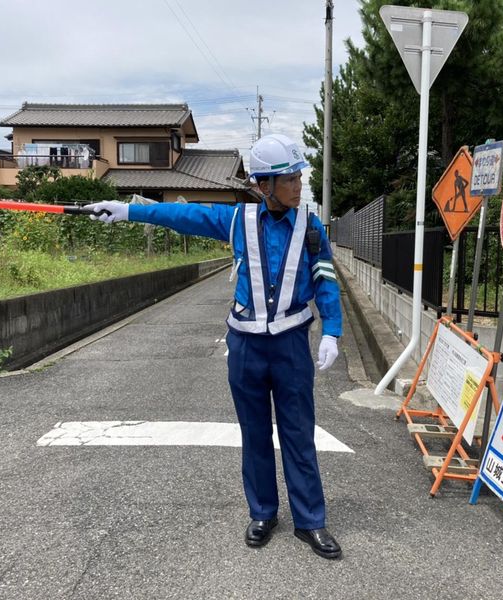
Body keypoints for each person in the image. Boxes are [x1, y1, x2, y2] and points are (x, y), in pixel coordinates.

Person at [85, 133, 343, 560]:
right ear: (264, 185)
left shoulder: (310, 226)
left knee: (298, 434)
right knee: (254, 432)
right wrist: (128, 210)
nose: (299, 186)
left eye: (299, 177)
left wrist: (331, 330)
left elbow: (325, 279)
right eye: (289, 179)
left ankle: (311, 521)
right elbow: (185, 217)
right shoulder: (238, 220)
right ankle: (262, 512)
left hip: (292, 345)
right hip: (245, 346)